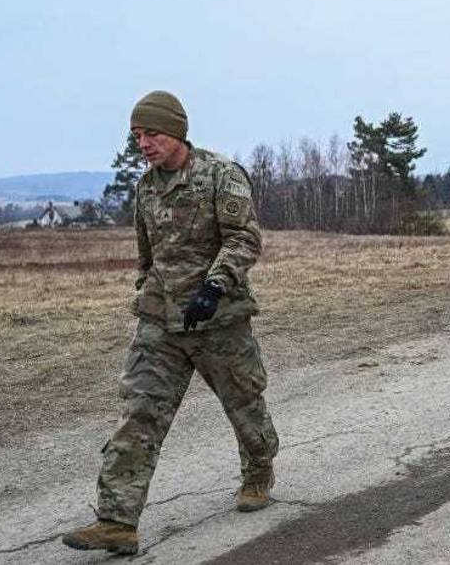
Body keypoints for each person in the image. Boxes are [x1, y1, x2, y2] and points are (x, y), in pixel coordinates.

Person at [63, 90, 279, 555]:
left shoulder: (221, 175)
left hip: (218, 319)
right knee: (139, 413)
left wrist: (214, 286)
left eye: (152, 133)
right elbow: (147, 254)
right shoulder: (145, 188)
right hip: (161, 323)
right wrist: (147, 290)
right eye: (137, 136)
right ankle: (117, 520)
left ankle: (259, 470)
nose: (143, 143)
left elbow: (244, 238)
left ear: (177, 132)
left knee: (244, 405)